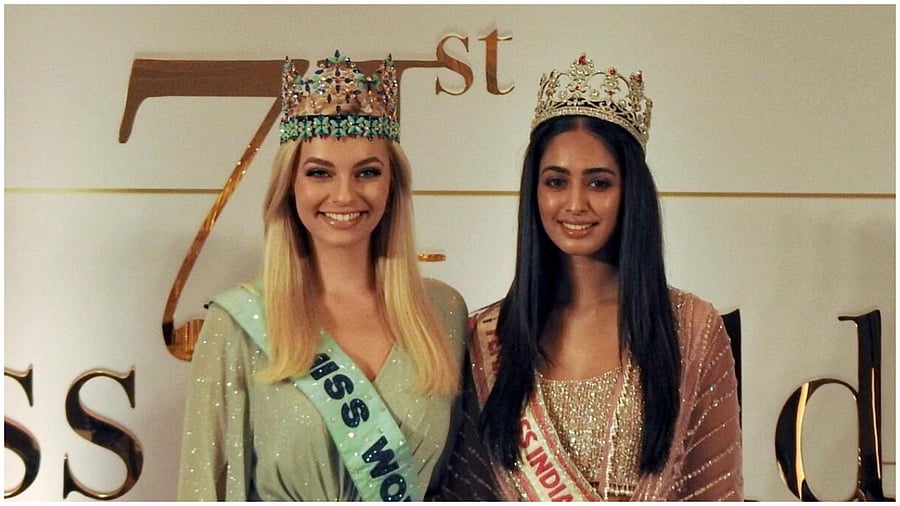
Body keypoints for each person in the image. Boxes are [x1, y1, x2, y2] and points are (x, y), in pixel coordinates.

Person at [437, 53, 743, 501]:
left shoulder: (692, 328)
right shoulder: (488, 339)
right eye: (556, 182)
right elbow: (465, 493)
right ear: (534, 190)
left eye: (598, 183)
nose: (575, 203)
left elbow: (717, 493)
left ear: (630, 190)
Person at [177, 51, 467, 501]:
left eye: (367, 172)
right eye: (319, 173)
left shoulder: (443, 311)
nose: (344, 194)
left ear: (393, 185)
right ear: (290, 186)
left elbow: (459, 482)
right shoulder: (237, 323)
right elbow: (204, 490)